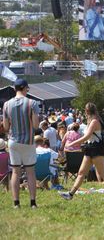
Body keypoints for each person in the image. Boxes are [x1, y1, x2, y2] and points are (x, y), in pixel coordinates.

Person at [60, 102, 104, 201]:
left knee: (102, 172)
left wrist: (73, 143)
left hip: (96, 148)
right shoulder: (91, 121)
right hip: (90, 148)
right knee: (81, 172)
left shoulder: (94, 121)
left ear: (87, 111)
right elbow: (87, 138)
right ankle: (70, 194)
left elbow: (87, 136)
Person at [2, 78, 39, 209]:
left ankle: (16, 203)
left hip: (13, 141)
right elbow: (35, 125)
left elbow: (6, 127)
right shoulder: (32, 103)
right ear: (25, 88)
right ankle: (33, 202)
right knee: (30, 172)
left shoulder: (6, 105)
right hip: (27, 141)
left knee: (15, 172)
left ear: (14, 89)